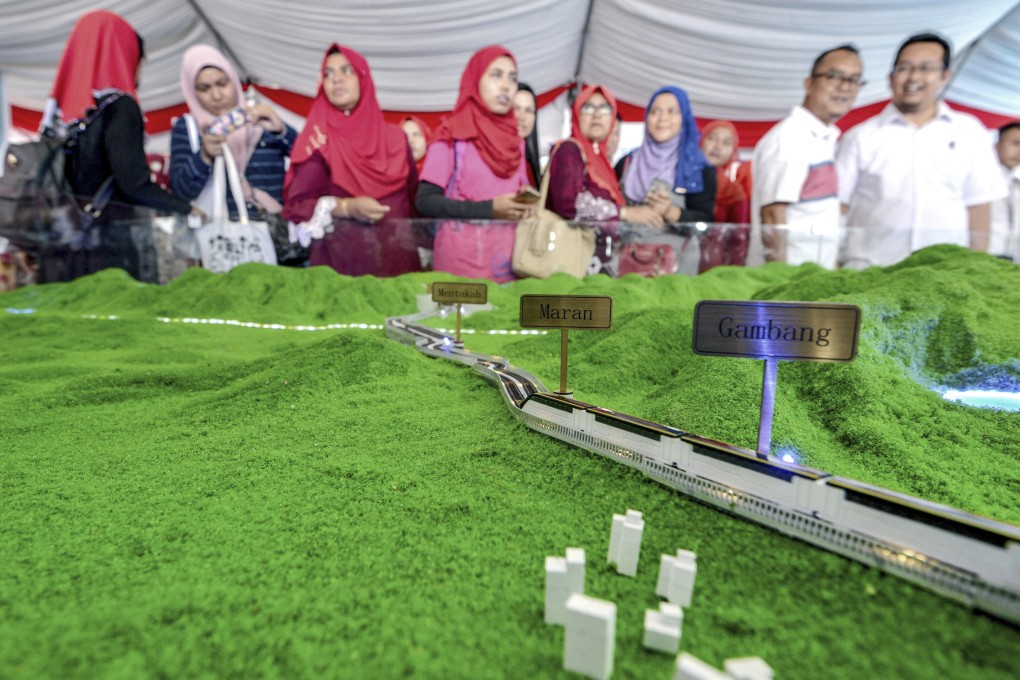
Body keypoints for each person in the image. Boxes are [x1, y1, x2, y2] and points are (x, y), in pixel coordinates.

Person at [45, 10, 200, 282]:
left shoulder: (57, 119)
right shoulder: (120, 109)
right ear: (123, 55)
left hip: (59, 246)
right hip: (108, 249)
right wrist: (186, 208)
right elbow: (134, 183)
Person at [836, 33, 1007, 268]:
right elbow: (838, 207)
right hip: (870, 271)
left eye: (926, 68)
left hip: (946, 273)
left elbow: (978, 206)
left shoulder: (970, 132)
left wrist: (975, 268)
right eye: (904, 68)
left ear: (944, 76)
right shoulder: (859, 137)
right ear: (890, 77)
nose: (914, 77)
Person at [282, 44, 420, 276]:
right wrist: (346, 207)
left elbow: (415, 200)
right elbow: (297, 206)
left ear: (363, 79)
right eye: (328, 73)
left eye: (347, 71)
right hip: (342, 265)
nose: (336, 79)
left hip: (399, 259)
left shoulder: (396, 138)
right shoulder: (318, 140)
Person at [169, 45, 298, 265]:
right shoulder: (188, 129)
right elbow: (180, 191)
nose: (217, 95)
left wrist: (283, 130)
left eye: (222, 83)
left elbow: (309, 166)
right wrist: (205, 157)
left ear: (234, 81)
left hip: (275, 239)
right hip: (220, 242)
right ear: (192, 91)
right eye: (204, 88)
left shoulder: (263, 120)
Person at [415, 45, 532, 282]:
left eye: (512, 78)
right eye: (496, 75)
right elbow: (425, 201)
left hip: (510, 266)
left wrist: (525, 205)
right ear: (475, 80)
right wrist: (489, 209)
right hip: (460, 268)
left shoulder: (516, 141)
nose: (506, 86)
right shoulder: (452, 133)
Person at [751, 44, 863, 269]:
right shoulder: (791, 137)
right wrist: (781, 284)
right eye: (834, 76)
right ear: (809, 83)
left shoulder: (824, 139)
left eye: (854, 80)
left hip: (813, 278)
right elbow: (773, 217)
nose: (844, 87)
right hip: (789, 284)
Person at [546, 85, 658, 226]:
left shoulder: (602, 162)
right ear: (576, 114)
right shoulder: (569, 150)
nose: (597, 114)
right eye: (588, 107)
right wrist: (625, 213)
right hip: (572, 245)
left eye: (605, 108)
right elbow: (569, 203)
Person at [615, 86, 717, 226]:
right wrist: (628, 213)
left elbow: (706, 222)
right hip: (627, 246)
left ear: (684, 118)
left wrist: (671, 212)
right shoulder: (626, 163)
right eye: (655, 111)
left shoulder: (698, 168)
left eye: (672, 111)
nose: (663, 118)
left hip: (678, 248)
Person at [698, 120, 751, 271]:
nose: (718, 147)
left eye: (726, 143)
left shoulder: (733, 192)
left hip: (715, 270)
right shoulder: (683, 180)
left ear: (733, 150)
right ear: (701, 141)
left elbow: (738, 242)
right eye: (712, 138)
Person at [989, 121, 1020, 262]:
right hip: (985, 255)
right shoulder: (981, 181)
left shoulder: (1016, 182)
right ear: (997, 145)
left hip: (1012, 258)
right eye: (1015, 143)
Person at [514, 83, 542, 185]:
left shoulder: (529, 164)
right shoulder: (485, 156)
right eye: (516, 108)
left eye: (528, 110)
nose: (521, 117)